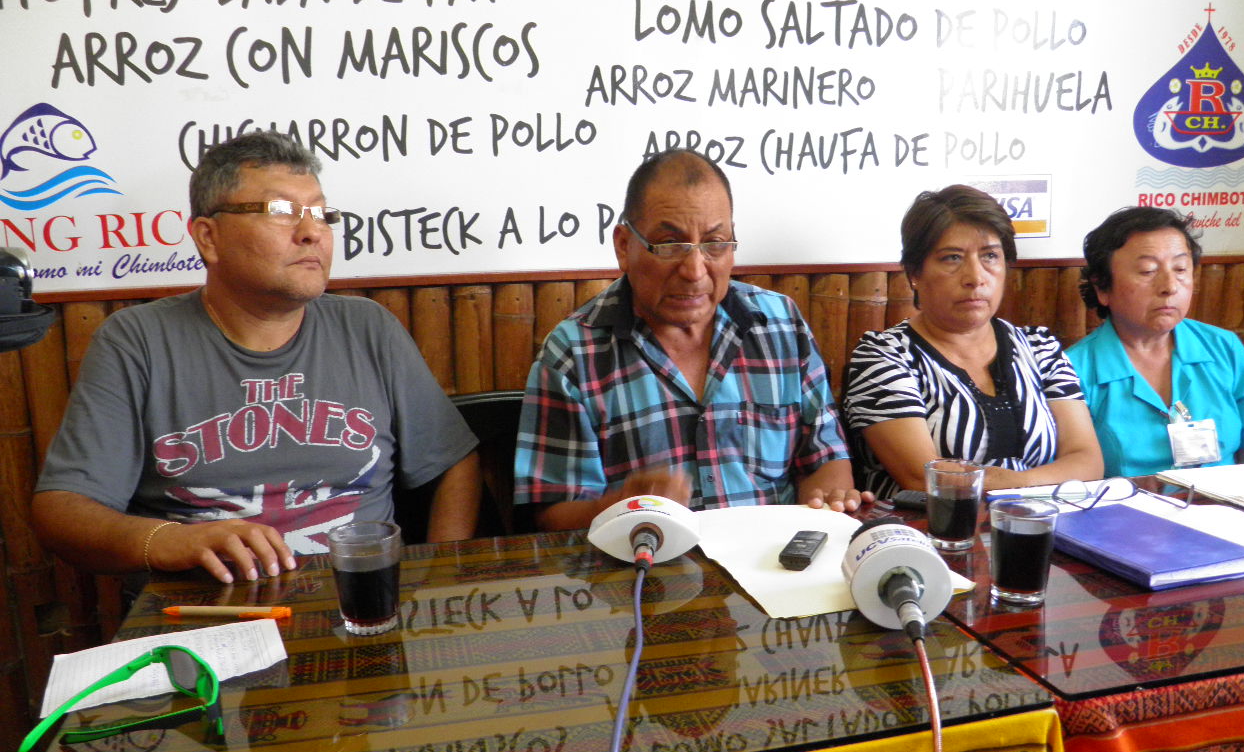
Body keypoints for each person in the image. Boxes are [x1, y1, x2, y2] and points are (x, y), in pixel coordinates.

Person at [33, 130, 480, 584]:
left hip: (358, 598)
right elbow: (62, 512)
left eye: (321, 214)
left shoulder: (369, 328)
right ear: (208, 237)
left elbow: (452, 463)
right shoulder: (137, 341)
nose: (312, 232)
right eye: (281, 212)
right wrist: (168, 540)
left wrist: (437, 578)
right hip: (206, 607)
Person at [514, 148, 865, 531]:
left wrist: (826, 501)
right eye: (670, 244)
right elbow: (551, 517)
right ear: (624, 246)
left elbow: (825, 458)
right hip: (645, 561)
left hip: (770, 556)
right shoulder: (574, 353)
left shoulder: (780, 324)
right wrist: (621, 506)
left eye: (715, 243)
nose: (695, 271)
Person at [841, 184, 1103, 498]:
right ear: (914, 273)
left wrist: (1013, 484)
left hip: (1039, 521)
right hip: (929, 525)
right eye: (952, 258)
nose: (975, 277)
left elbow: (1087, 462)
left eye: (990, 256)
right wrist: (1036, 482)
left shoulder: (1039, 348)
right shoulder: (884, 356)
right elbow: (924, 477)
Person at [1066, 206, 1244, 476]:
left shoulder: (1223, 347)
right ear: (1102, 287)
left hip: (1225, 502)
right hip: (1126, 503)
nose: (1170, 286)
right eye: (1147, 271)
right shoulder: (1072, 371)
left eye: (1180, 268)